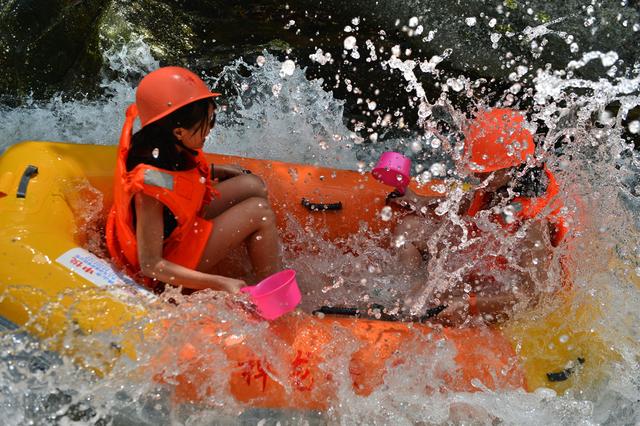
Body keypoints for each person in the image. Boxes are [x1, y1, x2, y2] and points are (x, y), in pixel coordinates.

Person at [106, 66, 282, 294]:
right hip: (169, 264)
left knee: (253, 186)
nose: (210, 129)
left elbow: (178, 180)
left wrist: (215, 169)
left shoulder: (164, 142)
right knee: (260, 211)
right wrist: (218, 282)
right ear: (179, 132)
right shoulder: (149, 186)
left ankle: (260, 266)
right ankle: (273, 298)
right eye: (207, 122)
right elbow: (150, 265)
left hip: (181, 226)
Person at [390, 108, 568, 325]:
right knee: (409, 230)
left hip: (505, 276)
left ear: (514, 168)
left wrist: (469, 307)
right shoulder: (497, 180)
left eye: (484, 171)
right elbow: (461, 206)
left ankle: (422, 305)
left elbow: (533, 297)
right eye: (476, 168)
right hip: (491, 251)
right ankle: (408, 291)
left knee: (453, 290)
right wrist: (419, 201)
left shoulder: (534, 223)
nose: (476, 175)